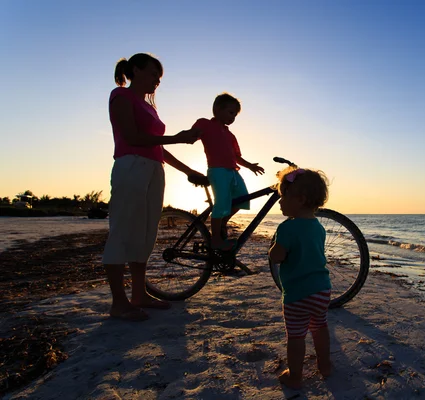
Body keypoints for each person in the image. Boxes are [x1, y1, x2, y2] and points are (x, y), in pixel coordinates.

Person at [103, 53, 209, 322]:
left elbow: (157, 147)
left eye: (160, 78)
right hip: (131, 166)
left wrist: (188, 171)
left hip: (153, 169)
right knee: (123, 231)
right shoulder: (121, 96)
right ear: (136, 70)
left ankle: (139, 295)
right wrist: (178, 138)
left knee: (145, 233)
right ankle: (119, 303)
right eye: (153, 74)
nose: (157, 81)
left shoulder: (149, 106)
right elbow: (133, 137)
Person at [268, 166, 332, 389]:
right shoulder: (318, 227)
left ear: (301, 199)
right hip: (322, 289)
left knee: (296, 336)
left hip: (297, 294)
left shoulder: (287, 228)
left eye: (283, 196)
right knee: (320, 327)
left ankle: (295, 375)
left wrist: (272, 251)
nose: (280, 202)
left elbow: (277, 257)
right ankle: (325, 364)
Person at [191, 93, 264, 250]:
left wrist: (250, 166)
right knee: (222, 203)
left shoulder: (230, 135)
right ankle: (216, 239)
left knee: (243, 199)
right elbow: (192, 134)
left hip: (232, 172)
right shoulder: (205, 124)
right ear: (217, 109)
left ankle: (222, 221)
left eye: (235, 115)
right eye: (231, 113)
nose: (233, 118)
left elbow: (236, 157)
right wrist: (188, 135)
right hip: (217, 171)